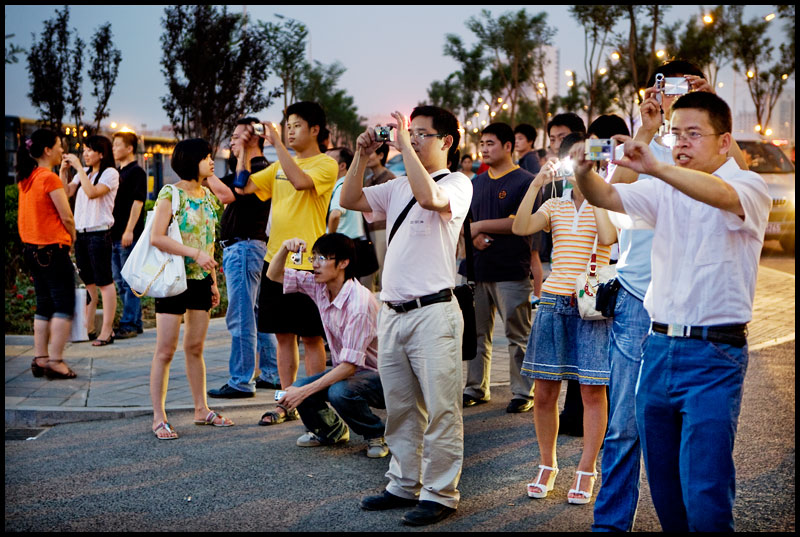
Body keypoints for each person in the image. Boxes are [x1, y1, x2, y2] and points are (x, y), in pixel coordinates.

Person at [575, 90, 770, 531]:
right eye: (675, 132)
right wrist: (583, 166)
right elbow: (605, 197)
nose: (681, 142)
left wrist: (659, 165)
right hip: (657, 348)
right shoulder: (663, 188)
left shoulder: (747, 185)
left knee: (705, 491)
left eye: (694, 134)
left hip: (713, 355)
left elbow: (720, 195)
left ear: (724, 142)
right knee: (664, 492)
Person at [340, 106, 472, 526]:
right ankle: (403, 483)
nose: (411, 139)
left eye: (421, 134)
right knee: (399, 407)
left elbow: (429, 198)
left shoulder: (458, 183)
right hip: (392, 312)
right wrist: (362, 155)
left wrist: (402, 148)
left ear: (446, 141)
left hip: (434, 312)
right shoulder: (396, 185)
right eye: (408, 133)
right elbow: (349, 199)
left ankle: (440, 493)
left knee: (441, 408)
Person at [512, 132, 615, 506]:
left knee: (591, 391)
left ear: (600, 159)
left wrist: (597, 187)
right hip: (553, 301)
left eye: (586, 157)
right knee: (544, 393)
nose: (578, 164)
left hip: (589, 306)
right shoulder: (554, 204)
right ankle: (546, 465)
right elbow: (520, 227)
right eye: (573, 158)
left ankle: (587, 469)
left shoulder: (609, 200)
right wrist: (537, 183)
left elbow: (608, 235)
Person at [240, 101, 339, 425]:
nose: (290, 131)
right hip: (277, 262)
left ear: (314, 130)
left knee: (311, 337)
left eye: (296, 125)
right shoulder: (279, 165)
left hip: (311, 265)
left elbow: (299, 182)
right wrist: (244, 148)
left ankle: (312, 400)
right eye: (287, 126)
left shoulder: (325, 165)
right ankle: (286, 399)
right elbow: (245, 187)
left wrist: (277, 145)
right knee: (283, 335)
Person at [266, 233, 388, 458]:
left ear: (343, 263)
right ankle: (331, 431)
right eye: (314, 257)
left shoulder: (359, 304)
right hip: (349, 372)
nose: (315, 264)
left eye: (322, 258)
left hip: (380, 377)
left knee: (337, 392)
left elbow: (350, 367)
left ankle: (376, 434)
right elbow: (273, 274)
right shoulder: (319, 286)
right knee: (298, 385)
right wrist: (284, 247)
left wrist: (304, 392)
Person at [148, 138, 233, 440]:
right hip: (173, 280)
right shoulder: (170, 193)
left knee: (195, 348)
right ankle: (159, 417)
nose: (212, 161)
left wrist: (213, 282)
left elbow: (208, 241)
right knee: (165, 350)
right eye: (206, 157)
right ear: (190, 161)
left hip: (199, 281)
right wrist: (193, 254)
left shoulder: (208, 196)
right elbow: (157, 237)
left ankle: (201, 409)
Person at [461, 122, 535, 414]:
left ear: (508, 146)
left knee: (518, 335)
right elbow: (464, 222)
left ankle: (523, 391)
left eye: (491, 143)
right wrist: (474, 235)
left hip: (511, 270)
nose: (484, 149)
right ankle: (476, 388)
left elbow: (519, 223)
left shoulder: (525, 181)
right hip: (478, 270)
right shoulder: (474, 183)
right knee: (477, 334)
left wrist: (479, 226)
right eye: (482, 144)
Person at [206, 118, 278, 399]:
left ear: (252, 140)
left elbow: (229, 193)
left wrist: (206, 173)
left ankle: (241, 380)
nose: (232, 143)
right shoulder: (252, 169)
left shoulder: (257, 170)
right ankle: (270, 374)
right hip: (250, 248)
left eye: (236, 137)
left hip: (245, 248)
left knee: (242, 316)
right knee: (257, 314)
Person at [18, 129, 78, 380]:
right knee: (64, 304)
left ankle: (41, 358)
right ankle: (56, 360)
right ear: (47, 150)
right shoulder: (48, 178)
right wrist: (72, 239)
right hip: (53, 250)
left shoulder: (27, 178)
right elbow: (66, 216)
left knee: (43, 304)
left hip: (32, 251)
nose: (62, 150)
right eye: (59, 145)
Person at [543, 113, 588, 437]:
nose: (557, 145)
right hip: (558, 286)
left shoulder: (605, 181)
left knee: (592, 378)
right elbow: (530, 228)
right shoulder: (557, 188)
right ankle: (572, 419)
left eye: (562, 139)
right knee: (556, 374)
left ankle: (589, 434)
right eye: (554, 140)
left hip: (594, 286)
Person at [61, 135, 119, 347]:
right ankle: (87, 328)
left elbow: (93, 193)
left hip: (99, 234)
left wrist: (77, 168)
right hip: (82, 234)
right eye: (83, 150)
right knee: (89, 284)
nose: (84, 154)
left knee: (105, 283)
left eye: (89, 150)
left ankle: (107, 330)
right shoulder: (84, 172)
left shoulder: (110, 174)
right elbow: (66, 192)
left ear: (101, 153)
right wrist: (64, 170)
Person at [110, 131, 146, 339]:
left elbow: (138, 202)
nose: (114, 149)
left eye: (117, 145)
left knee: (130, 280)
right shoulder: (116, 173)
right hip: (113, 234)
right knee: (119, 280)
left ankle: (130, 323)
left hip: (127, 234)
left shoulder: (137, 172)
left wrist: (129, 230)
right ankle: (135, 321)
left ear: (129, 148)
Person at [514, 123, 544, 307]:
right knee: (532, 255)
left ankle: (538, 293)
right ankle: (537, 293)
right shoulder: (526, 158)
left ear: (530, 141)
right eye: (515, 138)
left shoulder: (530, 160)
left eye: (520, 139)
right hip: (532, 214)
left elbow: (535, 186)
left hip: (533, 214)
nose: (517, 142)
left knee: (534, 256)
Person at [362, 142, 396, 291]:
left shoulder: (390, 178)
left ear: (381, 155)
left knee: (383, 269)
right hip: (369, 231)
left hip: (384, 229)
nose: (368, 157)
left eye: (372, 153)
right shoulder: (369, 180)